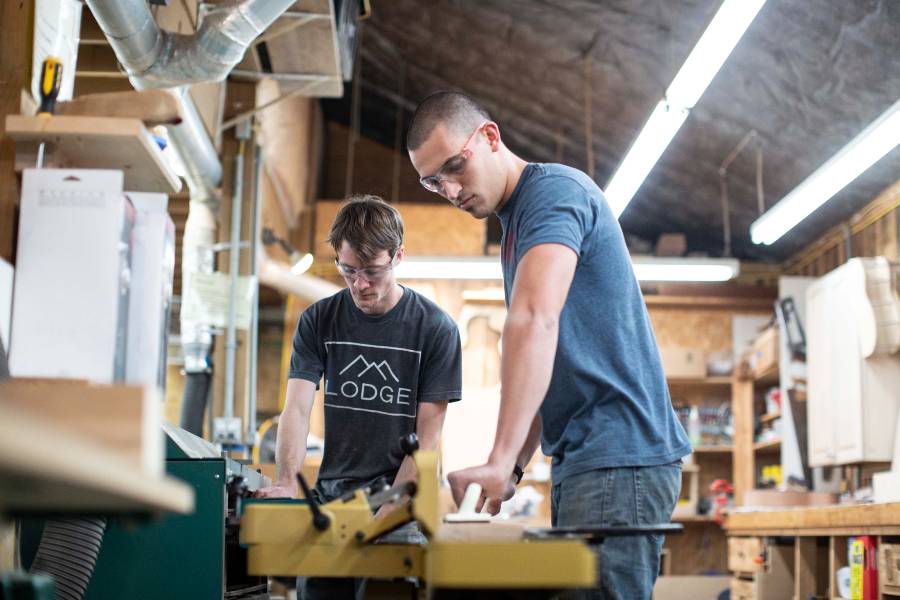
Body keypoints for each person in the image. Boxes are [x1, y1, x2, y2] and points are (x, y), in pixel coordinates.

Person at [407, 91, 690, 600]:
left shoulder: (553, 195)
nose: (449, 189)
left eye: (454, 166)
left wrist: (496, 458)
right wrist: (514, 466)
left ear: (490, 137)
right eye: (433, 181)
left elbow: (533, 321)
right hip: (589, 457)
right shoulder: (516, 225)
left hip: (617, 455)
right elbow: (552, 360)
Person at [255, 195, 463, 599]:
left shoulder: (435, 330)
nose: (359, 284)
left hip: (398, 507)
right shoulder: (319, 320)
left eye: (371, 271)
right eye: (348, 270)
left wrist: (385, 519)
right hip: (330, 506)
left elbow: (427, 444)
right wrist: (286, 483)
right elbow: (296, 410)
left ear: (398, 255)